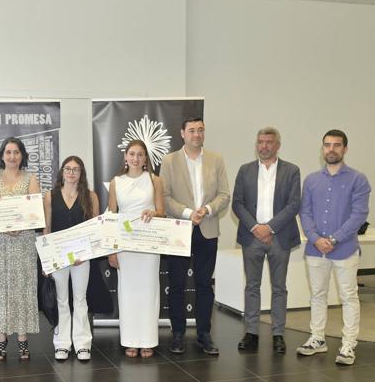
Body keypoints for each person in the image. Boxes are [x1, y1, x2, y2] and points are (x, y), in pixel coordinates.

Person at [297, 129, 370, 365]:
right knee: (318, 295)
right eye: (327, 145)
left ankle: (348, 345)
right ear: (322, 149)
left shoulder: (358, 179)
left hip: (345, 249)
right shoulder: (311, 180)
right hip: (315, 249)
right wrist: (315, 238)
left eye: (336, 145)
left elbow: (359, 215)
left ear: (345, 149)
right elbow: (305, 212)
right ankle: (317, 339)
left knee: (349, 296)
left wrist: (335, 239)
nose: (331, 149)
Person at [161, 117, 230, 355]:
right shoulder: (170, 161)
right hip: (179, 229)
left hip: (208, 229)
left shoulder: (216, 159)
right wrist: (189, 213)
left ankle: (204, 335)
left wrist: (207, 210)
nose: (197, 134)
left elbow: (224, 195)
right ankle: (178, 334)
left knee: (204, 285)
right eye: (192, 130)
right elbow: (166, 198)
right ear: (182, 133)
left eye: (200, 130)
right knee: (177, 285)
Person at [232, 127, 301, 354]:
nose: (264, 146)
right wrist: (256, 227)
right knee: (252, 286)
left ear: (277, 145)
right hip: (252, 237)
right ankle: (251, 332)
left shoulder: (291, 171)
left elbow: (293, 204)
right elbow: (238, 203)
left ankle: (278, 334)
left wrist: (269, 228)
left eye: (269, 142)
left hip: (279, 237)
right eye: (260, 142)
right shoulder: (245, 170)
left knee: (279, 287)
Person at [0, 137, 40, 360]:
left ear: (22, 155)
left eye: (16, 152)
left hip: (21, 242)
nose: (12, 156)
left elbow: (35, 211)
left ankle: (23, 340)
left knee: (21, 288)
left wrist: (18, 227)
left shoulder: (30, 178)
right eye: (8, 152)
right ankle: (1, 341)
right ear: (2, 155)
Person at [107, 140, 164, 358]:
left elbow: (162, 211)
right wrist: (112, 250)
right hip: (125, 244)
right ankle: (130, 340)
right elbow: (111, 216)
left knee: (149, 291)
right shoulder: (116, 182)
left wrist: (154, 214)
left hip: (149, 243)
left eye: (140, 154)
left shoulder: (155, 180)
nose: (136, 158)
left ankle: (148, 340)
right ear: (125, 157)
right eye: (132, 154)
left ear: (145, 159)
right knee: (128, 292)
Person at [43, 156, 99, 361]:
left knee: (80, 299)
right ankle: (62, 344)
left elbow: (96, 229)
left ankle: (82, 344)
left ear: (81, 173)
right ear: (62, 172)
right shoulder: (50, 196)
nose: (72, 172)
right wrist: (46, 260)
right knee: (61, 300)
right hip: (57, 257)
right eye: (68, 168)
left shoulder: (91, 196)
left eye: (76, 169)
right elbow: (46, 229)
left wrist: (85, 254)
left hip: (81, 258)